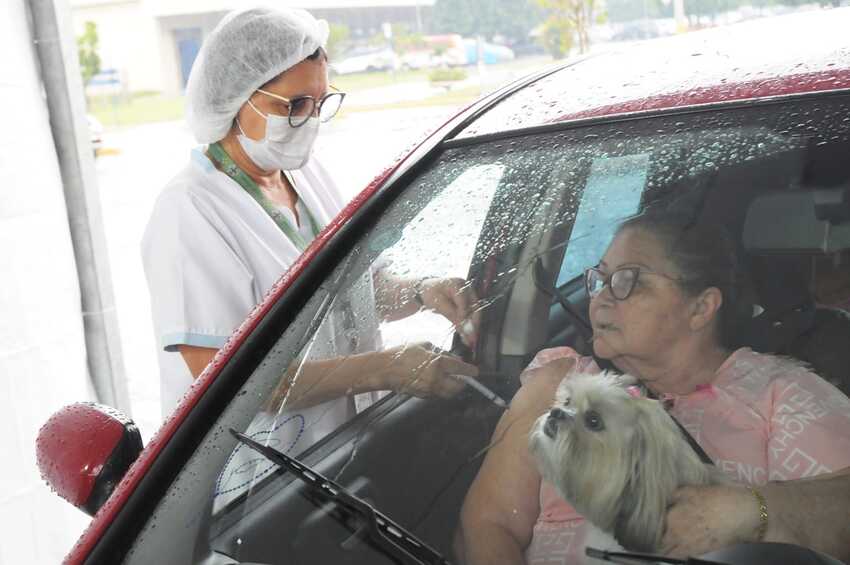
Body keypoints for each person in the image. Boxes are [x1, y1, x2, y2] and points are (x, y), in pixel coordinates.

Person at [141, 7, 478, 421]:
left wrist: (422, 291)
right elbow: (227, 385)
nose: (311, 120)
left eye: (320, 102)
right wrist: (384, 368)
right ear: (237, 96)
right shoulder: (190, 212)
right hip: (259, 476)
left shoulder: (305, 176)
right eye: (295, 104)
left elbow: (357, 292)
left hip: (337, 449)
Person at [456, 213, 850, 565]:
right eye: (600, 279)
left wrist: (755, 509)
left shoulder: (778, 394)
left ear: (700, 308)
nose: (602, 298)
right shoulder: (560, 383)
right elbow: (487, 526)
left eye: (630, 280)